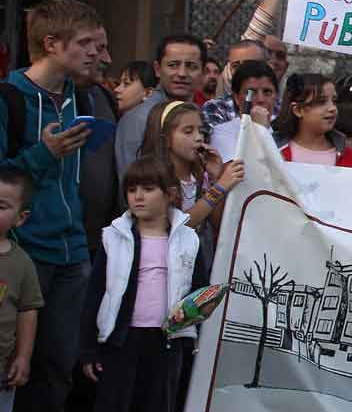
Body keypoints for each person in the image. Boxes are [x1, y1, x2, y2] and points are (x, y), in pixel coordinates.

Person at [0, 0, 101, 412]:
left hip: (72, 252)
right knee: (14, 364)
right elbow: (3, 175)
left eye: (98, 46)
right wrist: (45, 152)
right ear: (51, 44)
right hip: (23, 251)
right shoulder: (10, 98)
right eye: (85, 45)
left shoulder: (83, 99)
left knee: (58, 368)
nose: (96, 56)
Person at [79, 156, 209, 412]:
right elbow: (94, 295)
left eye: (147, 189)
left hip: (166, 343)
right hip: (120, 342)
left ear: (169, 194)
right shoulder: (113, 238)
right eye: (132, 189)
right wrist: (90, 349)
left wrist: (190, 327)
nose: (137, 196)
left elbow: (199, 293)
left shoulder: (189, 240)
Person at [0, 166, 43, 412]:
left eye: (2, 206)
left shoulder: (21, 262)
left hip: (3, 368)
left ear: (20, 217)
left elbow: (28, 311)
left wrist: (24, 357)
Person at [140, 101, 244, 232]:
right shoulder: (152, 178)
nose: (199, 138)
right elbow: (177, 228)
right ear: (165, 138)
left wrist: (215, 178)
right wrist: (220, 187)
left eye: (200, 131)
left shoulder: (199, 175)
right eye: (188, 131)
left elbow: (217, 225)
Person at [115, 34, 206, 177]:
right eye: (173, 65)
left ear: (203, 72)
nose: (182, 73)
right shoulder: (139, 119)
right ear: (157, 69)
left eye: (191, 66)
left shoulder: (203, 115)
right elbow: (132, 188)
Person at [73, 25, 120, 259]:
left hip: (96, 243)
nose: (106, 59)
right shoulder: (32, 101)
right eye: (97, 49)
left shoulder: (103, 98)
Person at [274, 74, 352, 169]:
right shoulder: (273, 151)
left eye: (334, 101)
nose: (332, 108)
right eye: (321, 101)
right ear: (298, 110)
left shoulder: (350, 157)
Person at [208, 60, 278, 163]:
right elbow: (244, 172)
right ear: (236, 98)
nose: (260, 99)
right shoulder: (221, 133)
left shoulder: (283, 135)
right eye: (251, 93)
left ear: (276, 96)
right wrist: (260, 130)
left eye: (267, 92)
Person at [199, 39, 272, 137]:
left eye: (249, 64)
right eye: (235, 65)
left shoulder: (281, 111)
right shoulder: (215, 108)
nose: (241, 70)